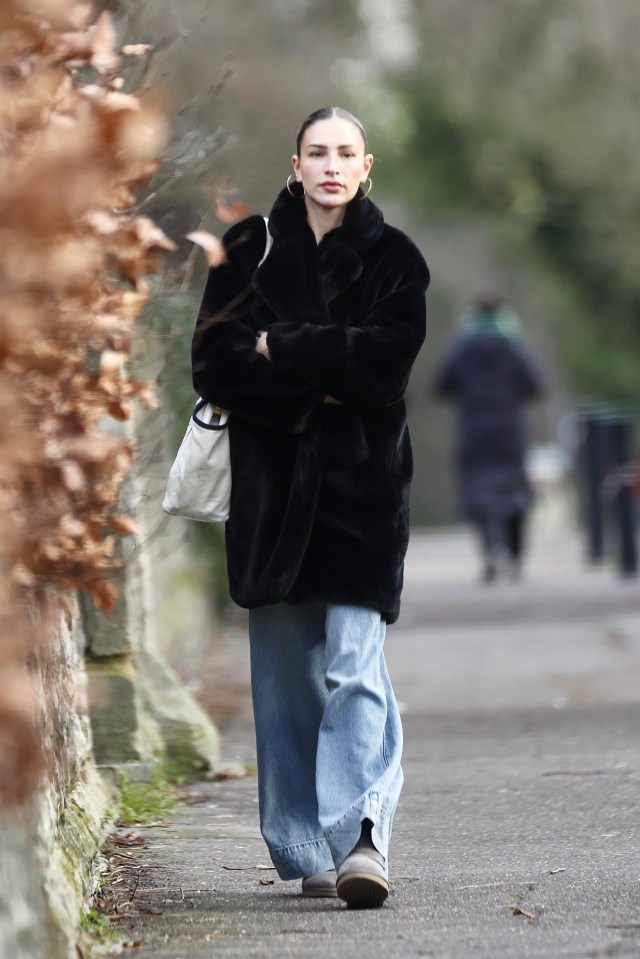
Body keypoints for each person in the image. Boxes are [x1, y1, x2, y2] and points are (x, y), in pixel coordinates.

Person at [191, 107, 429, 908]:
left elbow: (385, 368)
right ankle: (304, 843)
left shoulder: (396, 259)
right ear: (295, 163)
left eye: (346, 153)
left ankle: (363, 834)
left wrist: (281, 348)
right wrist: (322, 369)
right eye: (318, 152)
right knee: (286, 683)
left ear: (369, 167)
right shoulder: (245, 250)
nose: (332, 165)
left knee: (354, 665)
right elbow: (215, 363)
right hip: (269, 500)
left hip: (363, 497)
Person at [433, 296, 543, 582]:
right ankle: (516, 557)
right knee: (514, 492)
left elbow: (441, 386)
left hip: (474, 432)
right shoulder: (513, 347)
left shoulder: (461, 348)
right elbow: (534, 386)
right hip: (509, 432)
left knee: (480, 494)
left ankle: (492, 552)